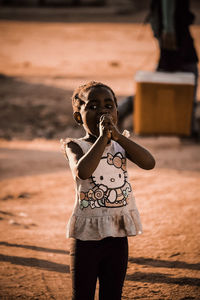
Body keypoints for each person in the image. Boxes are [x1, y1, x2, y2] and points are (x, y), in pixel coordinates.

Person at [61, 81, 155, 300]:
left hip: (118, 235)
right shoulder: (74, 145)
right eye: (92, 106)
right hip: (86, 238)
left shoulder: (121, 144)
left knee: (112, 294)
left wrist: (117, 136)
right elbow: (82, 171)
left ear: (116, 112)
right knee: (82, 294)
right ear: (78, 117)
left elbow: (149, 162)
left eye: (108, 105)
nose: (102, 111)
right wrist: (103, 138)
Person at [118, 0, 199, 137]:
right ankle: (188, 127)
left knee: (164, 80)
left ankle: (188, 126)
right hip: (175, 33)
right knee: (175, 77)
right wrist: (169, 29)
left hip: (174, 30)